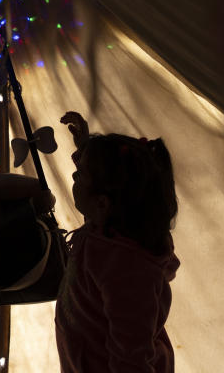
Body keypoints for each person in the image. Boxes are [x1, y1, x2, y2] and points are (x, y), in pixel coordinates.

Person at [55, 111, 180, 373]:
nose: (74, 177)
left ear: (102, 203)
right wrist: (85, 147)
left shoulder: (127, 271)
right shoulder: (110, 227)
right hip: (84, 355)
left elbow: (130, 359)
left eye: (80, 175)